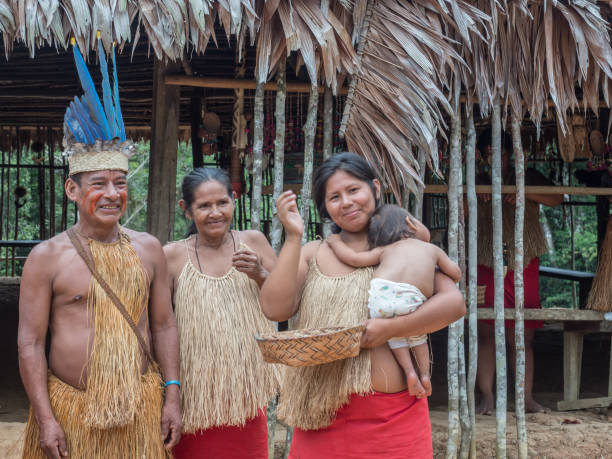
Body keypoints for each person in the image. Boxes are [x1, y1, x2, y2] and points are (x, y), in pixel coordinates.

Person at [18, 40, 181, 459]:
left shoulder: (148, 250)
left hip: (139, 410)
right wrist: (46, 417)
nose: (112, 194)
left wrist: (172, 395)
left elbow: (163, 326)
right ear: (73, 189)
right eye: (99, 184)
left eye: (120, 183)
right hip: (72, 413)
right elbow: (31, 344)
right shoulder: (47, 258)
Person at [260, 152, 465, 458]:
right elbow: (275, 309)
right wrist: (293, 237)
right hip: (321, 416)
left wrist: (390, 329)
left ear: (376, 188)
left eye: (354, 190)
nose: (346, 202)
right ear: (325, 207)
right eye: (334, 197)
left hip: (396, 420)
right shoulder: (313, 252)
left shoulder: (406, 247)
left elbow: (454, 304)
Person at [164, 168, 280, 459]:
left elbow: (284, 302)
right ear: (186, 210)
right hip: (194, 402)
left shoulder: (253, 242)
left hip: (245, 399)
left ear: (234, 200)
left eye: (222, 203)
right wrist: (170, 391)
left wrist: (261, 274)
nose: (215, 212)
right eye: (204, 206)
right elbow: (161, 326)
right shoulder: (172, 256)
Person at [326, 204, 462, 399]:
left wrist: (334, 241)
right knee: (417, 335)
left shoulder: (385, 250)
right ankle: (424, 374)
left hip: (381, 298)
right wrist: (436, 270)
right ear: (411, 224)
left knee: (394, 336)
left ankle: (409, 372)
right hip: (410, 299)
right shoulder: (431, 249)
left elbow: (354, 259)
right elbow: (456, 273)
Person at [475, 129, 563, 415]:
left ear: (511, 155)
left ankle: (525, 399)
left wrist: (520, 192)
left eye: (501, 153)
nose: (496, 159)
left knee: (522, 336)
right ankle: (487, 396)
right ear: (480, 155)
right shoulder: (476, 179)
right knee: (486, 333)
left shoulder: (530, 176)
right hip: (485, 260)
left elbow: (557, 198)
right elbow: (460, 211)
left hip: (523, 261)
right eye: (489, 153)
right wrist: (478, 196)